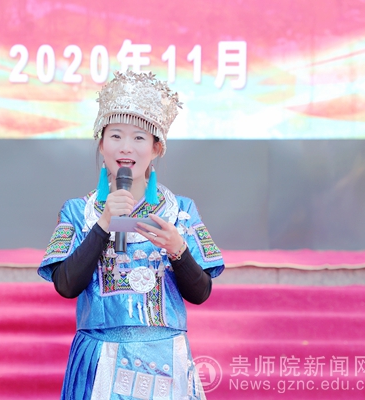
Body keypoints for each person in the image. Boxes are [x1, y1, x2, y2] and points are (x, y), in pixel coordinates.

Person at [38, 70, 225, 400]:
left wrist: (179, 250)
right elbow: (66, 286)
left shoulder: (180, 212)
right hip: (99, 360)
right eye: (116, 136)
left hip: (165, 360)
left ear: (156, 148)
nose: (126, 147)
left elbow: (201, 293)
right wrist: (103, 224)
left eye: (139, 138)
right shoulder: (78, 212)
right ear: (101, 143)